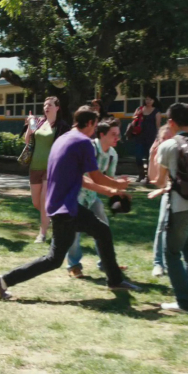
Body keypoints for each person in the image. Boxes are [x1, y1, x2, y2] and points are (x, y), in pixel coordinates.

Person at [0, 106, 140, 300]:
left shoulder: (62, 139)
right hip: (67, 208)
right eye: (95, 125)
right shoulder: (83, 142)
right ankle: (115, 280)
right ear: (89, 123)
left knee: (60, 256)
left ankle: (3, 281)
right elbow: (96, 176)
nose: (95, 130)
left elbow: (81, 178)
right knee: (84, 241)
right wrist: (118, 185)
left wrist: (111, 191)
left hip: (59, 206)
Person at [148, 103, 188, 314]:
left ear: (171, 122)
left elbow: (159, 181)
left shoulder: (169, 146)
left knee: (171, 253)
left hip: (181, 207)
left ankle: (184, 303)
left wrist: (155, 162)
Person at [66, 117, 125, 277]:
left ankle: (107, 263)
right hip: (75, 195)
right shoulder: (89, 148)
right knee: (73, 231)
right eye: (113, 134)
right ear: (102, 134)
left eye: (118, 134)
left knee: (104, 228)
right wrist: (113, 186)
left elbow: (109, 179)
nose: (117, 138)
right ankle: (74, 266)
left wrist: (119, 188)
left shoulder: (112, 155)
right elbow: (84, 177)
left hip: (92, 197)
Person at [24, 96, 71, 243]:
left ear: (57, 108)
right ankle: (54, 217)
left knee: (44, 200)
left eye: (50, 105)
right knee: (36, 203)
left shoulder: (62, 126)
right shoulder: (39, 123)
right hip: (35, 167)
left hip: (51, 168)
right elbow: (28, 141)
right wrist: (30, 126)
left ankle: (42, 234)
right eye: (45, 105)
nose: (46, 107)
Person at [148, 124, 173, 276]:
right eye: (164, 138)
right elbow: (155, 180)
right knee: (162, 225)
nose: (167, 141)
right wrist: (152, 156)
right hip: (168, 193)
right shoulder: (160, 155)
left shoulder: (178, 152)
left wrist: (162, 189)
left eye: (170, 137)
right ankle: (158, 264)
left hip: (180, 193)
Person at [133, 94, 162, 182]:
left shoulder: (156, 112)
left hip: (151, 137)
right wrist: (137, 115)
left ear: (154, 101)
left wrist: (158, 137)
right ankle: (141, 174)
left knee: (150, 157)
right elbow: (134, 120)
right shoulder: (140, 109)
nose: (148, 101)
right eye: (146, 99)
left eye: (150, 99)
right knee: (138, 156)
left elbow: (158, 126)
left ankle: (149, 177)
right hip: (139, 136)